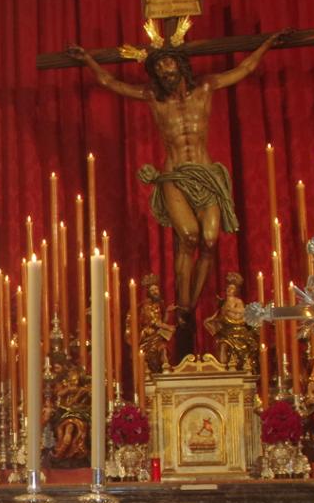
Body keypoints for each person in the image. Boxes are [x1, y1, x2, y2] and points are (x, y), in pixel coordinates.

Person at [68, 30, 291, 343]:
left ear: (181, 66)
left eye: (169, 66)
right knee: (189, 236)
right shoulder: (153, 98)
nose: (165, 73)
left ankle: (191, 303)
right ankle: (184, 305)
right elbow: (111, 84)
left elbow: (244, 69)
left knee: (210, 240)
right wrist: (89, 60)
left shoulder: (206, 88)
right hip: (173, 176)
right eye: (159, 70)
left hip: (206, 175)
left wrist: (267, 44)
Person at [203, 272, 258, 370]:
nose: (229, 290)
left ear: (235, 291)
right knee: (222, 344)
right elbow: (219, 314)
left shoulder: (238, 301)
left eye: (231, 288)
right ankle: (222, 368)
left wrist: (231, 310)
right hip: (226, 330)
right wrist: (210, 320)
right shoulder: (224, 303)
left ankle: (241, 365)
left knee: (236, 345)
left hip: (237, 330)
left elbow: (242, 312)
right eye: (228, 288)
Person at [129, 274, 176, 374]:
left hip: (158, 334)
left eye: (156, 289)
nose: (155, 292)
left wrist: (167, 312)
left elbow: (161, 322)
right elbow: (154, 322)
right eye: (152, 290)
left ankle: (165, 366)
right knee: (159, 349)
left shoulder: (158, 304)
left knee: (163, 347)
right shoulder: (147, 306)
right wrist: (169, 327)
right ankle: (161, 367)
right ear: (148, 293)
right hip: (149, 334)